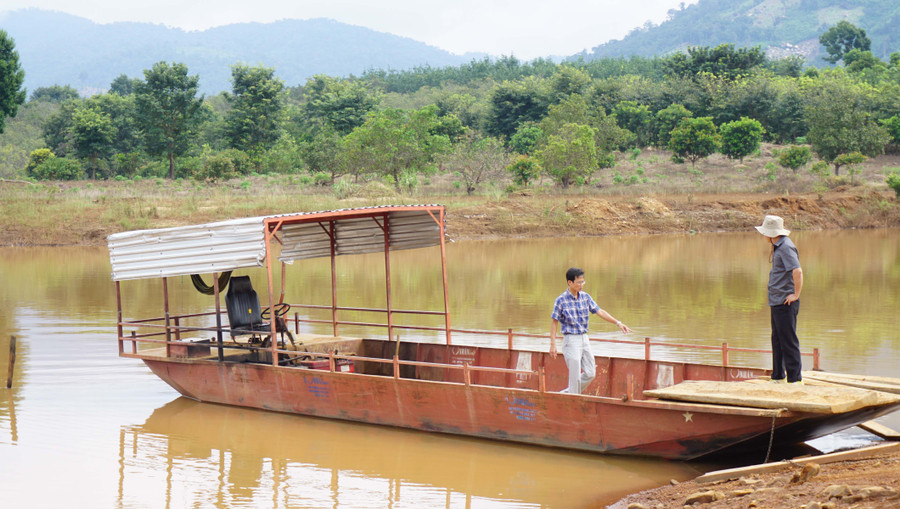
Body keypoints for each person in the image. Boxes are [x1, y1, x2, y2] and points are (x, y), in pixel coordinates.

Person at [550, 267, 632, 394]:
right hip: (571, 340)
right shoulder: (561, 300)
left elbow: (600, 311)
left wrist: (618, 323)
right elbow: (554, 322)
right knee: (575, 378)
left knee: (590, 373)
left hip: (584, 338)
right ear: (570, 283)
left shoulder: (585, 297)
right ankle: (572, 400)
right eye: (579, 282)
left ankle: (566, 394)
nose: (581, 285)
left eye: (583, 282)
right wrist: (553, 345)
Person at [755, 215, 804, 384]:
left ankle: (795, 379)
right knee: (777, 339)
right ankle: (778, 376)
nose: (763, 236)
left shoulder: (786, 247)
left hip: (786, 302)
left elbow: (797, 271)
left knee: (788, 340)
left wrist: (796, 295)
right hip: (777, 300)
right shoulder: (778, 246)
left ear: (770, 233)